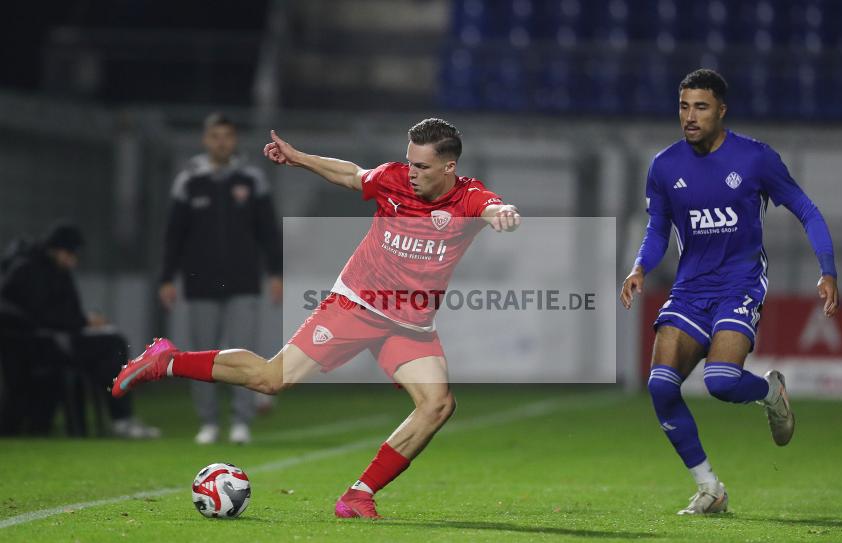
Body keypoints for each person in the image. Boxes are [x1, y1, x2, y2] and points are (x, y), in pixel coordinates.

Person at [113, 117, 520, 518]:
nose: (411, 172)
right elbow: (352, 175)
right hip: (357, 304)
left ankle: (358, 496)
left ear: (449, 167)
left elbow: (490, 207)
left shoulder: (468, 198)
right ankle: (167, 360)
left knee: (437, 406)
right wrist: (298, 157)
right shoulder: (394, 179)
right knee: (270, 380)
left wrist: (501, 214)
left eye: (422, 166)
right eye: (409, 161)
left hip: (410, 324)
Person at [620, 69, 840, 515]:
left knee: (720, 382)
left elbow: (806, 209)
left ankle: (769, 393)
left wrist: (827, 269)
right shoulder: (664, 166)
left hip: (739, 284)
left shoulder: (755, 158)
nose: (690, 116)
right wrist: (641, 265)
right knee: (661, 386)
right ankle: (710, 489)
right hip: (689, 289)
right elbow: (658, 227)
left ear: (721, 110)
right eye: (684, 106)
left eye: (700, 107)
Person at [160, 113, 283, 445]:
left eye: (227, 136)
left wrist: (275, 272)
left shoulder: (252, 179)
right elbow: (174, 234)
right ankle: (208, 423)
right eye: (215, 136)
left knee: (243, 353)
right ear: (205, 139)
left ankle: (242, 421)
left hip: (243, 281)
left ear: (234, 140)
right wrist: (166, 277)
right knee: (201, 354)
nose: (221, 142)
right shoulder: (188, 181)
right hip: (200, 282)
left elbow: (268, 231)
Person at [0, 223, 159, 438]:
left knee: (111, 349)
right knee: (113, 345)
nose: (74, 260)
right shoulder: (29, 270)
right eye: (71, 253)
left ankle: (119, 417)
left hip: (55, 339)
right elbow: (40, 316)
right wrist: (85, 321)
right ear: (58, 249)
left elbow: (63, 311)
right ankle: (121, 418)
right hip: (40, 344)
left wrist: (83, 321)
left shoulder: (52, 269)